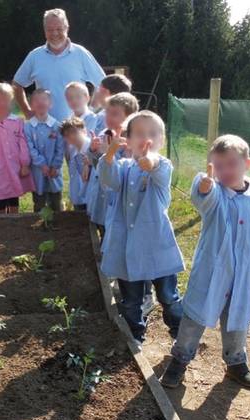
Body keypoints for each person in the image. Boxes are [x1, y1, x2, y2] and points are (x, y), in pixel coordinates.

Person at [160, 135, 250, 390]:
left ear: (247, 163)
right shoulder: (215, 194)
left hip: (243, 277)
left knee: (237, 319)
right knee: (194, 318)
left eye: (231, 164)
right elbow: (203, 197)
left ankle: (236, 363)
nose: (225, 171)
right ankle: (179, 360)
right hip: (211, 273)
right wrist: (203, 185)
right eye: (219, 166)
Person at [98, 111, 184, 344]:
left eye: (153, 134)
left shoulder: (162, 166)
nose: (146, 138)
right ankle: (134, 335)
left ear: (162, 140)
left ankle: (181, 332)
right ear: (128, 139)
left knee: (168, 295)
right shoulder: (124, 166)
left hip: (157, 245)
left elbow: (156, 167)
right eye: (139, 133)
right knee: (131, 298)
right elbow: (108, 179)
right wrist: (110, 153)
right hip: (128, 248)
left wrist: (150, 161)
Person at [12, 8, 105, 122]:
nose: (55, 33)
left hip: (76, 130)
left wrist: (90, 111)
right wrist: (27, 112)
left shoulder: (80, 53)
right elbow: (17, 84)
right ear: (44, 30)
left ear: (67, 28)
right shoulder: (35, 56)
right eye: (50, 29)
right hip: (44, 129)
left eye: (59, 29)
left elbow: (103, 84)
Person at [86, 92, 138, 238]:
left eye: (114, 114)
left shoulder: (129, 142)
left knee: (114, 231)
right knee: (102, 227)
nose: (108, 117)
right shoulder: (103, 134)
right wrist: (93, 150)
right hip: (100, 196)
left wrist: (108, 153)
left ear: (130, 117)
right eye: (107, 112)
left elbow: (122, 171)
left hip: (115, 199)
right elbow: (95, 164)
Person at [0, 83, 35, 214]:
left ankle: (14, 220)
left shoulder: (18, 122)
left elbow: (23, 144)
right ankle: (1, 221)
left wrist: (25, 164)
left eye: (5, 99)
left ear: (12, 101)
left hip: (14, 166)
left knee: (13, 194)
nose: (2, 103)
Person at [24, 89, 64, 212]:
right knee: (39, 202)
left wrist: (55, 166)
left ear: (50, 104)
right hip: (37, 171)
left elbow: (60, 148)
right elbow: (30, 148)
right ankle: (39, 225)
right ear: (31, 105)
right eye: (36, 100)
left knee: (56, 201)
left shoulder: (57, 126)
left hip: (54, 171)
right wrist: (42, 164)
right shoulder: (28, 127)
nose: (40, 103)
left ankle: (58, 225)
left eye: (44, 99)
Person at [60, 117, 90, 211]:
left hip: (89, 200)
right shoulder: (72, 150)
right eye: (67, 135)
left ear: (84, 130)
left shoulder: (92, 149)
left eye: (74, 132)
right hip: (78, 198)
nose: (71, 136)